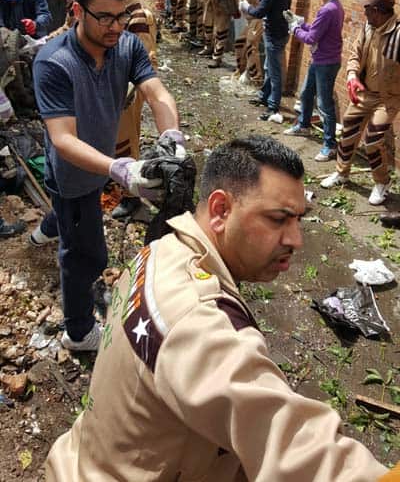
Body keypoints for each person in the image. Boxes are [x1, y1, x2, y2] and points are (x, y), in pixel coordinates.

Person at [45, 135, 389, 482]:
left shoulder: (162, 249)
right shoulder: (199, 322)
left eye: (299, 219)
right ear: (221, 210)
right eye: (278, 219)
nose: (296, 240)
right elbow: (293, 444)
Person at [32, 0, 183, 351]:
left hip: (99, 167)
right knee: (84, 255)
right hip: (73, 174)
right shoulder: (55, 62)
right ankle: (79, 332)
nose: (116, 26)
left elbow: (156, 92)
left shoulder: (126, 46)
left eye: (120, 16)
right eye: (105, 18)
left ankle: (49, 229)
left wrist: (171, 137)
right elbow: (63, 139)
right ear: (78, 11)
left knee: (77, 227)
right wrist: (119, 168)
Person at [321, 0, 400, 205]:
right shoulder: (368, 28)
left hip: (388, 98)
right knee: (348, 130)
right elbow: (355, 54)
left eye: (367, 11)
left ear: (378, 12)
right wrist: (353, 76)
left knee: (373, 141)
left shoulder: (398, 34)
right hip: (364, 92)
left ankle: (382, 183)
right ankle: (341, 173)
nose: (365, 16)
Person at [102, 0, 158, 218]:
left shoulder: (137, 15)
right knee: (113, 138)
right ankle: (116, 182)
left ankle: (131, 196)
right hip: (115, 86)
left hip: (128, 90)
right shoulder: (123, 9)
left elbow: (141, 59)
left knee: (125, 142)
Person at [284, 0, 344, 162]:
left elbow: (311, 38)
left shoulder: (327, 10)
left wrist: (294, 28)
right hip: (321, 59)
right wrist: (301, 22)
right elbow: (318, 30)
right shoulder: (335, 6)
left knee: (325, 104)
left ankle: (330, 145)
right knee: (306, 93)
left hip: (326, 62)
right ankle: (304, 125)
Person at [243, 0, 291, 119]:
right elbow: (273, 3)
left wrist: (246, 6)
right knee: (269, 68)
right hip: (281, 33)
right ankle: (264, 96)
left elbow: (260, 11)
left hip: (274, 34)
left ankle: (273, 107)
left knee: (274, 71)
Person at [234, 0, 263, 86]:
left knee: (251, 47)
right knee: (240, 43)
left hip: (257, 20)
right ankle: (241, 71)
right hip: (250, 20)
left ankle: (257, 79)